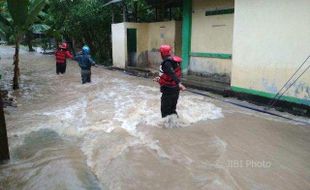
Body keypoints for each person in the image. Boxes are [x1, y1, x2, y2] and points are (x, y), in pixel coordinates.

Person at [154, 45, 186, 118]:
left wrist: (179, 83)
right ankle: (176, 125)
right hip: (175, 90)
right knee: (172, 110)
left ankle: (166, 128)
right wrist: (159, 79)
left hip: (168, 90)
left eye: (160, 52)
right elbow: (169, 75)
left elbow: (172, 73)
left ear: (162, 53)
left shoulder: (166, 63)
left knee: (165, 111)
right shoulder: (174, 61)